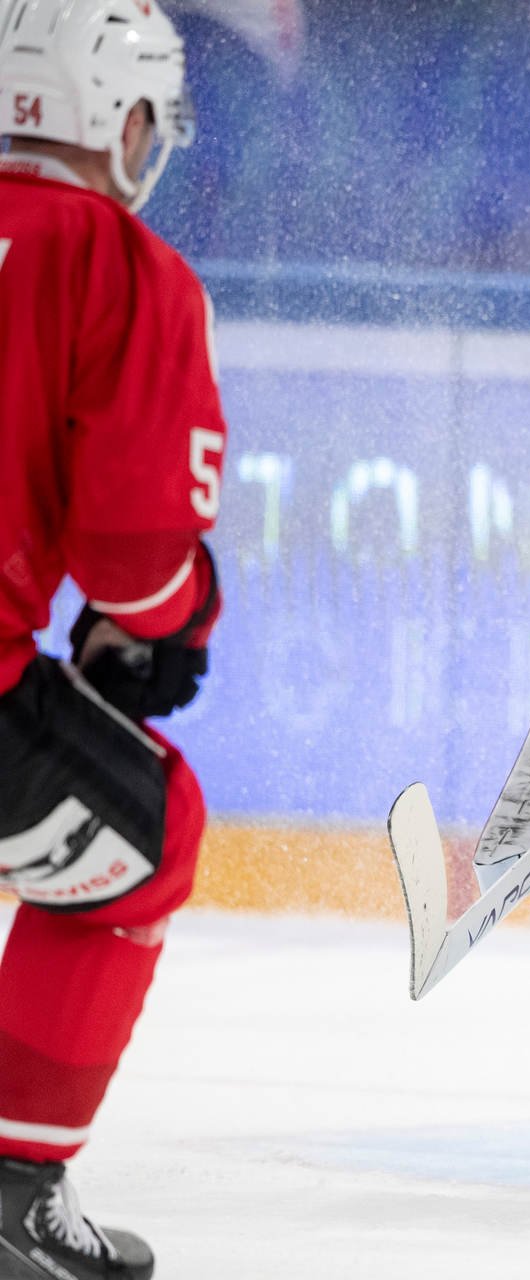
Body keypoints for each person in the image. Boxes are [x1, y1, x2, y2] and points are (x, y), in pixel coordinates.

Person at [0, 2, 221, 1276]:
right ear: (116, 114)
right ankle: (14, 1192)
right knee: (151, 836)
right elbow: (137, 559)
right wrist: (169, 626)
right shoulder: (111, 259)